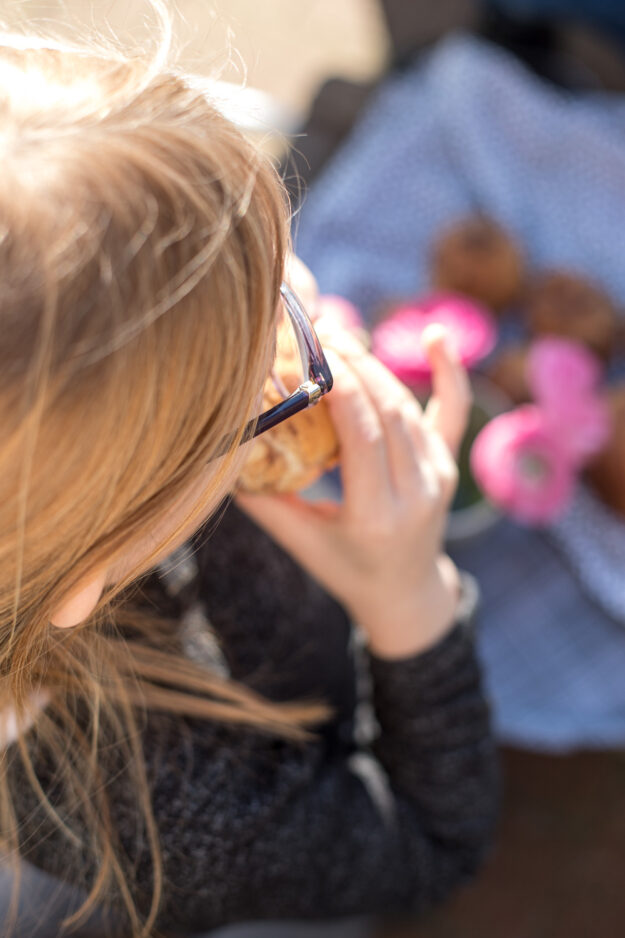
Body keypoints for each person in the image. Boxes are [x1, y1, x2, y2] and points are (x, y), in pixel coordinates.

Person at [0, 18, 498, 938]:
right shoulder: (165, 821)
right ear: (92, 560)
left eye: (278, 285)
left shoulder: (56, 498)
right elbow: (428, 841)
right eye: (250, 380)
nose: (302, 322)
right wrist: (406, 600)